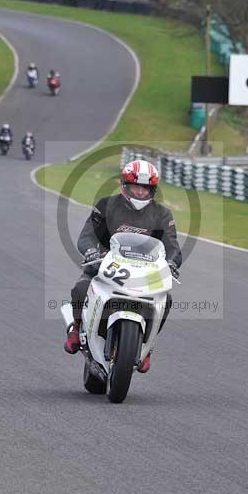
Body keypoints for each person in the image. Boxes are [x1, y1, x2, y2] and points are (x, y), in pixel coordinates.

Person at [64, 159, 181, 373]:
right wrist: (91, 250)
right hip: (105, 265)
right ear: (124, 185)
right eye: (136, 186)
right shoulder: (106, 205)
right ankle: (77, 327)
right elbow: (86, 236)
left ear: (152, 190)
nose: (140, 192)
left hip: (145, 272)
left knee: (167, 299)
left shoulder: (162, 215)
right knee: (81, 287)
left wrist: (172, 262)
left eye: (145, 188)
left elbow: (173, 247)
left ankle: (147, 346)